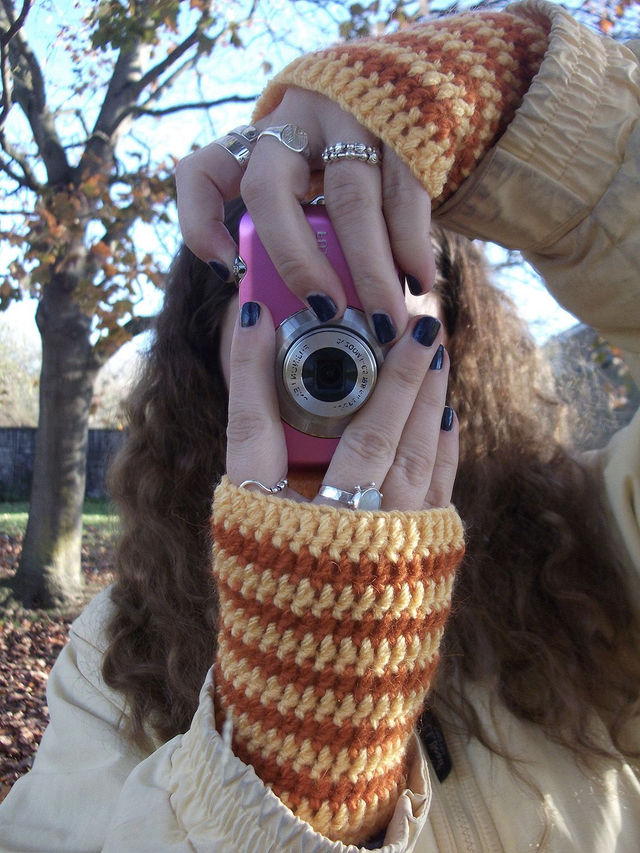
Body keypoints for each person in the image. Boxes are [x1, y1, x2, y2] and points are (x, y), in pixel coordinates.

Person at [0, 0, 639, 850]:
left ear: (453, 324)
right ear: (212, 341)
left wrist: (528, 102)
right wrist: (281, 780)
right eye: (280, 286)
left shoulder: (595, 548)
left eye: (383, 274)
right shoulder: (119, 647)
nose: (334, 330)